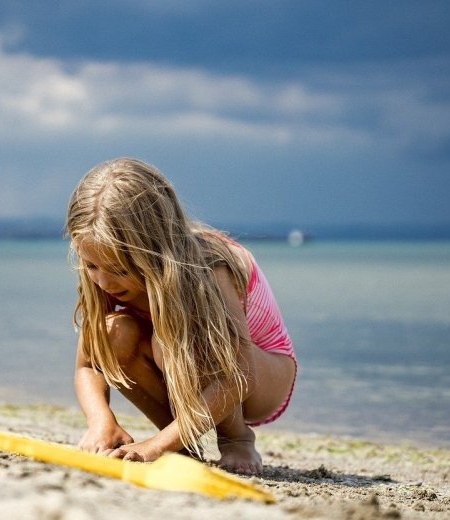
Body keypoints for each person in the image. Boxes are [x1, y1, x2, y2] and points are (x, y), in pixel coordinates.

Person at [66, 158, 297, 475]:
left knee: (174, 338)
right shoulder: (104, 262)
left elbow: (238, 373)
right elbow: (88, 364)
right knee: (111, 334)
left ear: (154, 250)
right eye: (91, 266)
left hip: (260, 377)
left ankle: (237, 438)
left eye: (120, 270)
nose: (104, 281)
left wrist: (156, 446)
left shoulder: (208, 266)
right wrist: (101, 422)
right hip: (184, 368)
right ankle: (183, 443)